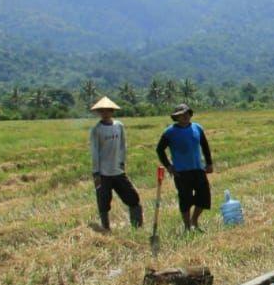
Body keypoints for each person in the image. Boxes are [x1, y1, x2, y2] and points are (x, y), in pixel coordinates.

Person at [155, 103, 215, 232]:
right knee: (185, 199)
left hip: (198, 169)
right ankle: (187, 227)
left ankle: (194, 221)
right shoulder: (169, 132)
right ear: (176, 118)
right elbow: (160, 150)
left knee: (204, 197)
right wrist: (169, 166)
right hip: (181, 172)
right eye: (181, 115)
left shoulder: (197, 128)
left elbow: (205, 146)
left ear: (190, 114)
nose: (185, 117)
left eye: (187, 114)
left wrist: (209, 163)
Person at [88, 97, 143, 232]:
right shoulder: (96, 130)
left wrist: (122, 162)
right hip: (103, 173)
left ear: (112, 111)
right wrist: (96, 172)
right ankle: (106, 228)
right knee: (103, 202)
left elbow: (123, 146)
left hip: (118, 171)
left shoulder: (119, 126)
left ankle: (137, 227)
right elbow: (94, 152)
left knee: (133, 198)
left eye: (108, 111)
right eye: (102, 111)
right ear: (99, 112)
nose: (105, 113)